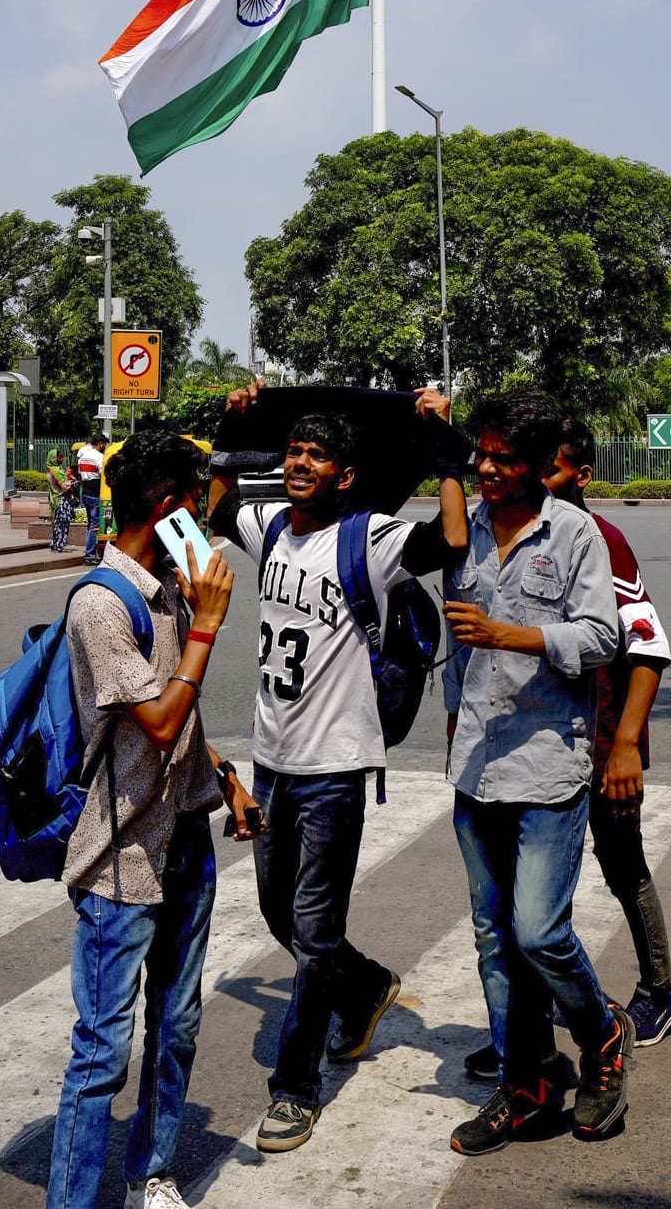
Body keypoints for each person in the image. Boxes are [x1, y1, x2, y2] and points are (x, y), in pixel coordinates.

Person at [206, 383, 469, 1155]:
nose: (299, 463)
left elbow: (451, 541)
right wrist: (233, 423)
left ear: (345, 474)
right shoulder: (268, 528)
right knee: (279, 915)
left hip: (336, 766)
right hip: (274, 761)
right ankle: (368, 988)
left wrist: (446, 449)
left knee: (315, 931)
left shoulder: (372, 538)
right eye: (293, 451)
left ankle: (295, 1089)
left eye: (316, 455)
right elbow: (215, 509)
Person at [49, 427, 261, 1209]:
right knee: (102, 1052)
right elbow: (161, 719)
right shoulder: (102, 605)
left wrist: (224, 782)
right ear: (169, 507)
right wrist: (206, 627)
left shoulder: (169, 586)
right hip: (121, 858)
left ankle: (152, 1170)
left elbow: (184, 730)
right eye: (196, 510)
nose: (203, 527)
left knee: (177, 1026)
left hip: (185, 842)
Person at [441, 388, 630, 1157]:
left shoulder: (577, 532)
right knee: (495, 939)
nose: (486, 467)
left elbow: (601, 635)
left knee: (538, 931)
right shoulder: (467, 528)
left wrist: (508, 634)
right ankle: (527, 1083)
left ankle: (602, 1033)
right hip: (475, 765)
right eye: (479, 453)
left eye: (501, 456)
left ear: (542, 463)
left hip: (549, 763)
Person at [466, 414, 671, 1081]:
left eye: (550, 469)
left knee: (619, 860)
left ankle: (660, 989)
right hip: (528, 742)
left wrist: (623, 747)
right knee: (514, 907)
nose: (532, 479)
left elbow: (647, 646)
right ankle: (522, 1040)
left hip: (600, 737)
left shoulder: (601, 542)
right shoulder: (500, 529)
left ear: (579, 474)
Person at [76, 435, 107, 559]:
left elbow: (80, 475)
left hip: (85, 493)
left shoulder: (83, 457)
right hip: (95, 494)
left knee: (90, 525)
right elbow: (103, 476)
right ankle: (90, 554)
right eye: (104, 444)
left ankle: (89, 552)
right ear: (100, 443)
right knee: (95, 526)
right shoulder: (99, 457)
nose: (104, 447)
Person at [49, 447, 77, 554]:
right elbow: (65, 486)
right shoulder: (55, 470)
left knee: (58, 524)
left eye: (61, 457)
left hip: (56, 499)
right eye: (58, 457)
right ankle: (59, 545)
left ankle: (55, 544)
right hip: (61, 500)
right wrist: (74, 483)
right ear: (53, 458)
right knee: (62, 524)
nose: (61, 459)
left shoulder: (55, 469)